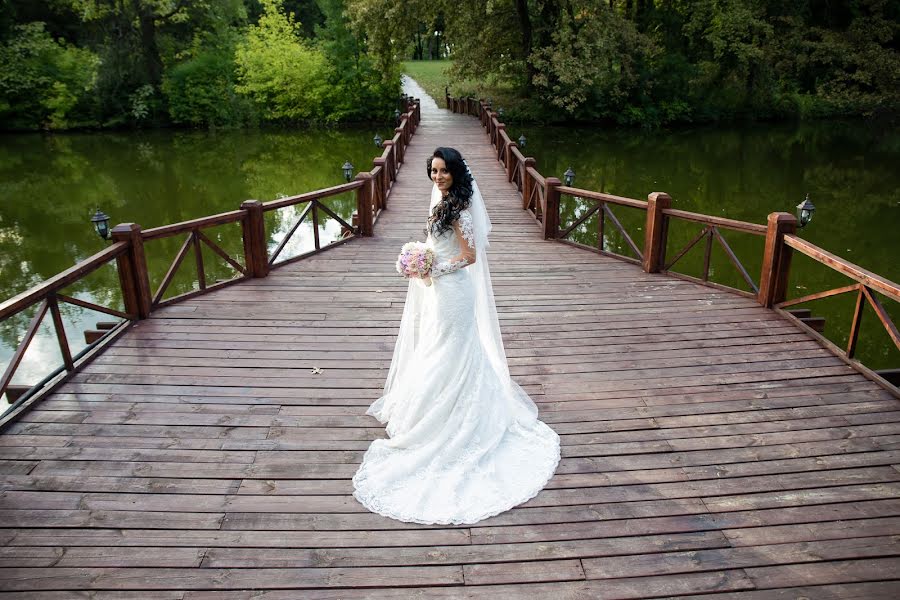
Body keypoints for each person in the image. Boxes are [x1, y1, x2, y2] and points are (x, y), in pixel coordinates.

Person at [351, 147, 561, 525]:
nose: (438, 176)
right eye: (433, 171)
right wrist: (419, 259)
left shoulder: (461, 208)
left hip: (455, 290)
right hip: (438, 290)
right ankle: (431, 410)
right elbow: (436, 243)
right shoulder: (442, 200)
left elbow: (470, 256)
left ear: (456, 172)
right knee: (439, 345)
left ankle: (456, 420)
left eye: (444, 171)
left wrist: (433, 265)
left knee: (454, 349)